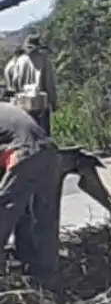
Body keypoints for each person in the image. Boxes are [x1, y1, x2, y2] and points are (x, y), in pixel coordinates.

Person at [0, 104, 60, 288]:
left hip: (25, 153)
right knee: (42, 217)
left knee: (4, 209)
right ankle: (44, 275)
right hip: (49, 152)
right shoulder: (5, 109)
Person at [8, 33, 57, 135]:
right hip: (40, 105)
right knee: (43, 136)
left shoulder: (20, 61)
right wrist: (53, 102)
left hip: (23, 105)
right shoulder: (44, 60)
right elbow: (49, 83)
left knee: (27, 136)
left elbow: (14, 83)